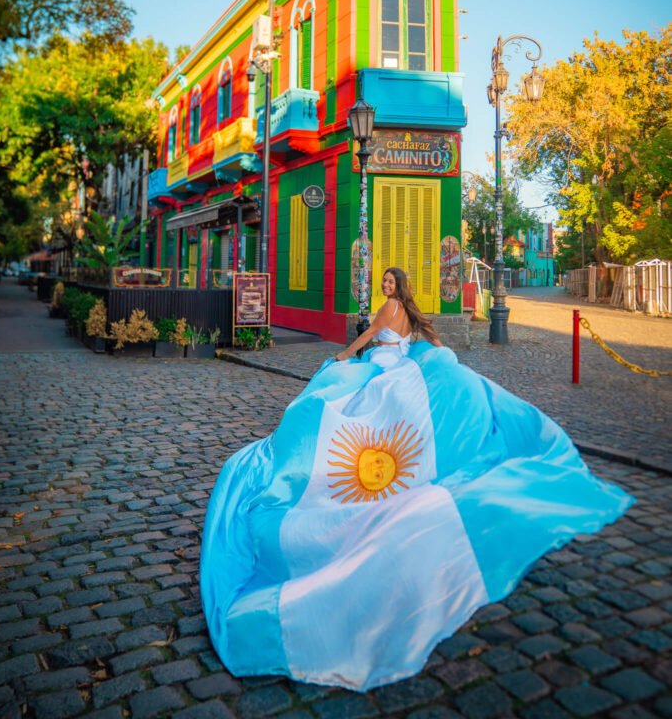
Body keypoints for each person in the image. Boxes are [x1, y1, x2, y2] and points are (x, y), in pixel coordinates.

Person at [201, 266, 633, 693]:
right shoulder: (410, 310)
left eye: (390, 282)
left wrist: (346, 355)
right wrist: (440, 354)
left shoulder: (388, 308)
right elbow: (432, 337)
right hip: (405, 362)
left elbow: (371, 337)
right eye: (385, 282)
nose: (386, 286)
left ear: (398, 287)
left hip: (383, 366)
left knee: (343, 403)